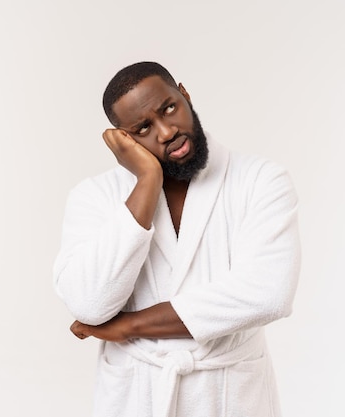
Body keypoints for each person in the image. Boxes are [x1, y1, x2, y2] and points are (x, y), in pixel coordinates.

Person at [53, 62, 301, 417]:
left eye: (169, 107)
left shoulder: (261, 180)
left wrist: (131, 325)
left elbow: (269, 294)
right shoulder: (94, 197)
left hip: (229, 396)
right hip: (138, 396)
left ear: (184, 94)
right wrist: (147, 181)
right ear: (124, 140)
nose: (167, 131)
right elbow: (89, 305)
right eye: (143, 128)